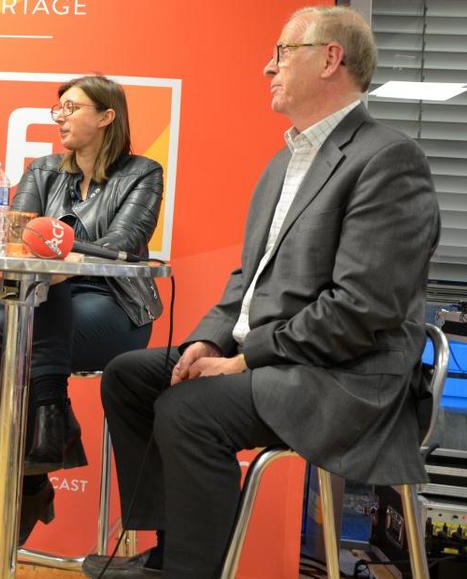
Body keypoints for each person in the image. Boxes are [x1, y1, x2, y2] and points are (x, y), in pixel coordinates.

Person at [82, 6, 440, 578]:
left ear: (330, 59)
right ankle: (171, 551)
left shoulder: (388, 159)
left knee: (188, 410)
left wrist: (245, 358)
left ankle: (190, 572)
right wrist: (206, 342)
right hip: (279, 361)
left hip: (344, 377)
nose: (265, 67)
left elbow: (362, 308)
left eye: (280, 53)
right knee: (131, 376)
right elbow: (245, 283)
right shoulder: (284, 162)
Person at [0, 75, 164, 550]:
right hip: (45, 301)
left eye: (71, 108)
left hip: (114, 306)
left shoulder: (142, 172)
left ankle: (52, 429)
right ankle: (34, 483)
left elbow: (120, 246)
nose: (59, 117)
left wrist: (57, 247)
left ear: (106, 117)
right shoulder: (42, 170)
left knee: (33, 315)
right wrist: (50, 252)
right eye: (56, 109)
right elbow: (20, 239)